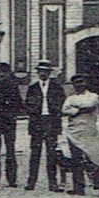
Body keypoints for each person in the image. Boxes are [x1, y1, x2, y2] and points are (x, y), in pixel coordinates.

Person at [62, 74, 99, 198]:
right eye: (76, 83)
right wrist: (81, 109)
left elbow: (91, 105)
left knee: (94, 159)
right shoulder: (69, 98)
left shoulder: (93, 96)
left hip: (89, 131)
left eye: (81, 82)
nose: (79, 85)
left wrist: (75, 109)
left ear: (85, 83)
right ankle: (78, 187)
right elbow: (65, 110)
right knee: (76, 160)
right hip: (73, 132)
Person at [24, 60, 67, 191]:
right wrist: (34, 112)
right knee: (35, 153)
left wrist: (55, 113)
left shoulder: (57, 87)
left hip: (51, 122)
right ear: (37, 73)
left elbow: (62, 104)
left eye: (45, 71)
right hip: (37, 122)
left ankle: (52, 183)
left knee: (51, 154)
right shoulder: (32, 88)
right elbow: (27, 105)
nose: (42, 73)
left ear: (49, 73)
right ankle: (31, 182)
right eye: (40, 71)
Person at [0, 61, 24, 187]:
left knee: (10, 151)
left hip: (8, 122)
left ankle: (11, 180)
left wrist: (6, 103)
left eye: (4, 72)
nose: (2, 75)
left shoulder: (13, 87)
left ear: (8, 74)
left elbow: (19, 105)